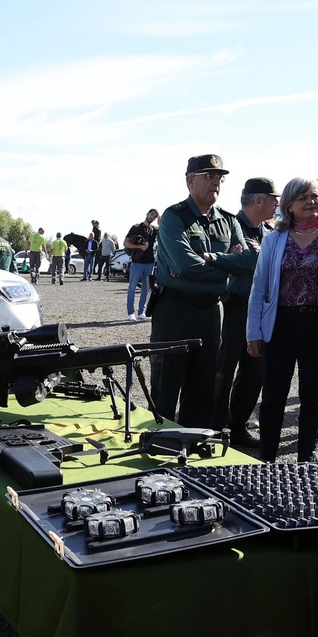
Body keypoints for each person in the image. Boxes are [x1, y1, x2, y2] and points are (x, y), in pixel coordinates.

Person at [247, 179, 318, 461]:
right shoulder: (273, 240)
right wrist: (253, 331)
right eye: (303, 197)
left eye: (316, 196)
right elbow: (259, 288)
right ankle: (267, 458)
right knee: (273, 397)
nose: (312, 202)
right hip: (279, 327)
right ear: (289, 205)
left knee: (313, 399)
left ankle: (305, 460)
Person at [151, 154, 252, 426]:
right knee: (166, 386)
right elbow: (185, 265)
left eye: (219, 178)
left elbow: (249, 262)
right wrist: (226, 268)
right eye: (209, 176)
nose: (216, 182)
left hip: (211, 312)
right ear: (190, 181)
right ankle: (159, 447)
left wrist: (209, 259)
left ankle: (193, 454)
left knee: (203, 386)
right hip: (174, 311)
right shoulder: (175, 217)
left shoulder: (229, 221)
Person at [214, 178, 278, 449]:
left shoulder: (269, 231)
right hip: (233, 306)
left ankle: (237, 426)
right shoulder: (228, 227)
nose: (278, 204)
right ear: (259, 200)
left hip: (261, 311)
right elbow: (219, 262)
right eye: (274, 198)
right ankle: (213, 428)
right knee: (223, 369)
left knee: (254, 372)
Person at [125, 209, 159, 320]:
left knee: (146, 289)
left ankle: (141, 312)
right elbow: (126, 243)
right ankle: (131, 313)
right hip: (137, 262)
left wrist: (160, 220)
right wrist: (140, 247)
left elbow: (165, 230)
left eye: (155, 216)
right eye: (151, 214)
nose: (152, 217)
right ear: (147, 214)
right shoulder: (136, 227)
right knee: (132, 288)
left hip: (149, 263)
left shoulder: (154, 230)